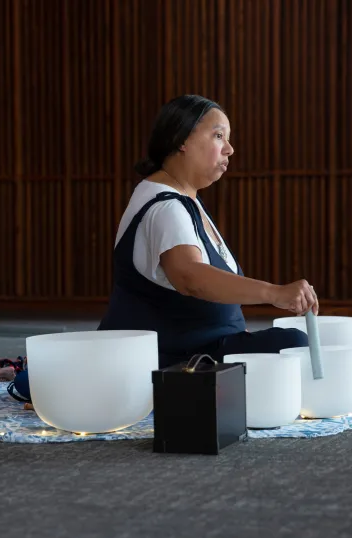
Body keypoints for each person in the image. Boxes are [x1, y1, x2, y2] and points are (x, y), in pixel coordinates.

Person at [97, 94, 319, 368]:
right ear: (182, 140)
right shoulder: (166, 207)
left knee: (291, 346)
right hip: (176, 362)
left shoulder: (183, 199)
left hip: (198, 350)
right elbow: (191, 277)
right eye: (218, 136)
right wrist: (274, 293)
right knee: (292, 346)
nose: (229, 149)